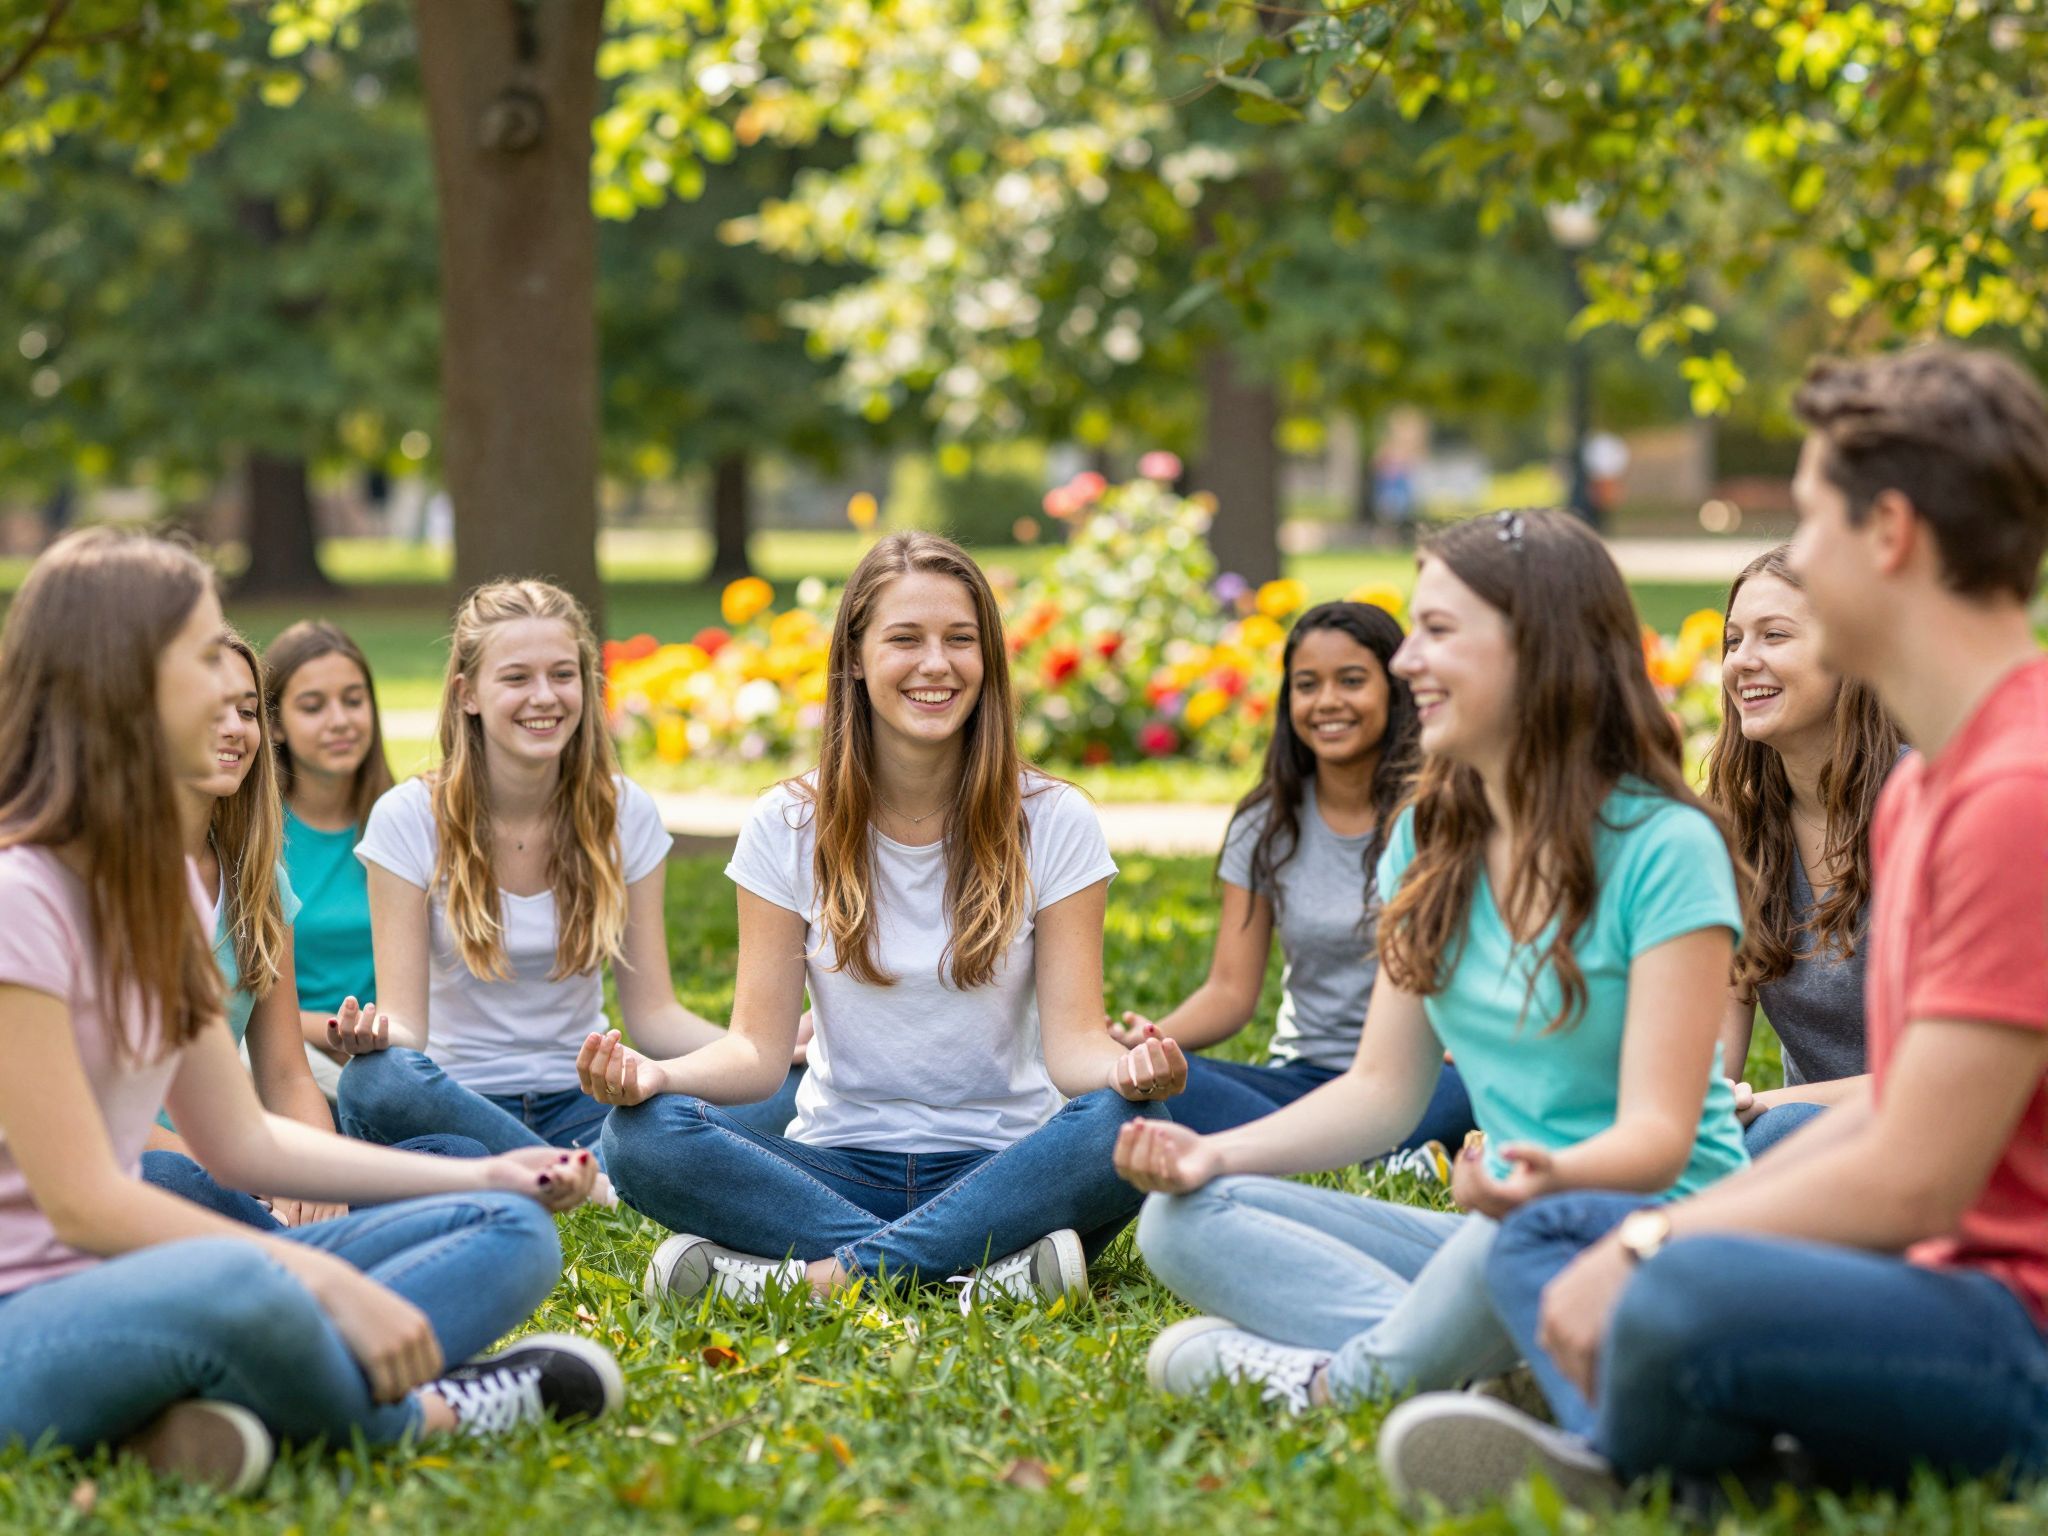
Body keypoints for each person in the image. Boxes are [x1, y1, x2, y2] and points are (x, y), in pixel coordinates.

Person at [1381, 346, 2048, 1510]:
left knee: (1659, 1283)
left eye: (1804, 522)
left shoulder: (2017, 791)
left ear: (1886, 532)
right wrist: (1635, 1231)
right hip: (1922, 1277)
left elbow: (1911, 1178)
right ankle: (1705, 1443)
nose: (1785, 563)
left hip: (2013, 1323)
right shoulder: (1927, 788)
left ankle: (1652, 1466)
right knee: (1565, 1229)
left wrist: (1654, 1248)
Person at [0, 529, 621, 1495]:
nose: (230, 685)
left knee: (506, 1226)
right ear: (121, 677)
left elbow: (247, 1141)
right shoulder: (20, 896)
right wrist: (320, 1279)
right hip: (30, 1318)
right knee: (253, 1281)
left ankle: (194, 1420)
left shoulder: (161, 890)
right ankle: (426, 1411)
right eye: (205, 653)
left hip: (175, 1289)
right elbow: (84, 1201)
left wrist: (498, 1167)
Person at [1117, 509, 1749, 1415]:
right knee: (1182, 1219)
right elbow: (1382, 1089)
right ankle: (1492, 1373)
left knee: (1510, 1241)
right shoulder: (1426, 835)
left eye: (1438, 632)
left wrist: (1540, 1180)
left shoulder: (1665, 846)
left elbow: (1661, 1140)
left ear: (1538, 648)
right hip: (1504, 1230)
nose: (1407, 660)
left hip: (1653, 1237)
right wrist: (1209, 1153)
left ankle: (1347, 1383)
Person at [586, 532, 1186, 1308]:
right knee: (637, 1137)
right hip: (839, 1160)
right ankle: (974, 1273)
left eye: (960, 640)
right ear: (857, 659)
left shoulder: (1056, 820)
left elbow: (1076, 1050)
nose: (936, 664)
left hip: (1003, 1164)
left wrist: (1131, 1072)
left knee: (1126, 1126)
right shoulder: (787, 824)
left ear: (988, 661)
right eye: (905, 638)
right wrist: (657, 1076)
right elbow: (757, 1054)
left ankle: (822, 1281)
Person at [328, 580, 801, 1160]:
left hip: (590, 1099)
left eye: (562, 674)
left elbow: (654, 1017)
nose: (545, 696)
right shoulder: (406, 818)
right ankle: (588, 1178)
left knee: (794, 1088)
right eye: (516, 677)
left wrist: (761, 1051)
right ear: (467, 693)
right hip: (461, 1099)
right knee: (374, 1082)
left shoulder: (626, 813)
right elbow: (406, 1031)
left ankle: (539, 1173)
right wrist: (374, 1039)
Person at [142, 631, 481, 1230]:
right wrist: (252, 1175)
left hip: (250, 1171)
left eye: (246, 710)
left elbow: (285, 1074)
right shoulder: (99, 882)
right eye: (209, 708)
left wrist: (314, 1176)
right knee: (166, 1178)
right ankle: (311, 1257)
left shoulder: (258, 882)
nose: (235, 728)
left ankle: (296, 1251)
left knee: (458, 1161)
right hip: (146, 1172)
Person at [1111, 601, 1470, 1156]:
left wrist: (1476, 1043)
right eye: (1307, 684)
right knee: (1153, 1089)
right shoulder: (1266, 823)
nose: (1327, 702)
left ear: (1396, 691)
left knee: (1469, 1091)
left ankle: (1311, 1149)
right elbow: (1230, 991)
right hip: (1300, 1083)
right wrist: (1149, 1044)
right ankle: (1367, 1153)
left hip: (1420, 1079)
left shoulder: (1445, 813)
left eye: (1352, 681)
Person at [1705, 549, 1902, 1155]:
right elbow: (1711, 1053)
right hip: (1808, 1146)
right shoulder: (1738, 830)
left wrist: (1767, 1106)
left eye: (1775, 635)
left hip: (1940, 1148)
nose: (1743, 661)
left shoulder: (1926, 808)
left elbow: (1945, 1082)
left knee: (1776, 1136)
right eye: (1733, 640)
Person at [263, 621, 397, 1101]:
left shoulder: (406, 824)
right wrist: (335, 1031)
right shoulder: (255, 838)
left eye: (354, 700)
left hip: (400, 1051)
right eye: (314, 706)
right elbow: (233, 999)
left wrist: (384, 1034)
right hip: (287, 1053)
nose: (340, 720)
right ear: (275, 723)